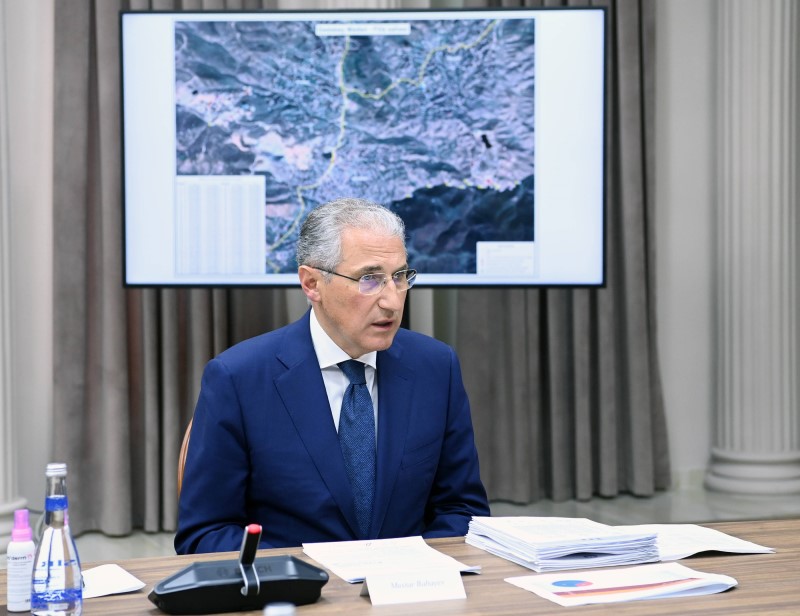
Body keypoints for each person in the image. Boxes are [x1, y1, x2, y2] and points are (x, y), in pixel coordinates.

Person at [175, 197, 489, 553]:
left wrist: (410, 569)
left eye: (400, 277)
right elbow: (205, 534)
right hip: (298, 586)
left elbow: (462, 510)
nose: (392, 301)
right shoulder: (238, 378)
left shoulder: (435, 367)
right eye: (370, 279)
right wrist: (309, 573)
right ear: (312, 283)